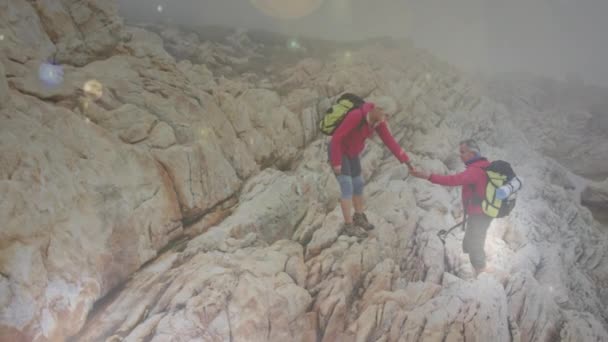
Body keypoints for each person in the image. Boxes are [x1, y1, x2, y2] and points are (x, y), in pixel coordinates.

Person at [329, 96, 413, 238]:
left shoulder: (377, 122)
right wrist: (336, 162)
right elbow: (336, 138)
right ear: (378, 109)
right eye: (386, 115)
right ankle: (349, 226)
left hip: (352, 153)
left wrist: (406, 161)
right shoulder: (356, 116)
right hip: (340, 152)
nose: (387, 119)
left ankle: (359, 216)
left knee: (359, 184)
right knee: (347, 186)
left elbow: (390, 142)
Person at [410, 139, 493, 276]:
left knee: (475, 244)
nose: (460, 155)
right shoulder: (485, 165)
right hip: (483, 212)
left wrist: (428, 176)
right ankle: (476, 268)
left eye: (463, 152)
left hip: (479, 214)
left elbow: (452, 180)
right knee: (470, 242)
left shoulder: (474, 170)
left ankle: (481, 274)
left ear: (472, 153)